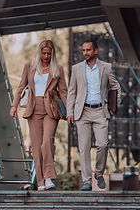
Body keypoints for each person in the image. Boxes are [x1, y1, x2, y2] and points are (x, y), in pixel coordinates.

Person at [10, 40, 67, 191]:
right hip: (33, 109)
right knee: (36, 147)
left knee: (47, 142)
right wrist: (14, 105)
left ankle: (48, 178)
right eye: (44, 53)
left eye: (49, 53)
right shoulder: (30, 67)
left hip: (51, 110)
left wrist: (69, 112)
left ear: (52, 53)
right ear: (39, 53)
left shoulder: (58, 69)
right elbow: (21, 87)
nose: (46, 56)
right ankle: (40, 181)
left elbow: (63, 92)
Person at [66, 38, 121, 191]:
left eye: (88, 50)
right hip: (82, 112)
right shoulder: (76, 69)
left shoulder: (106, 67)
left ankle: (99, 174)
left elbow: (116, 87)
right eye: (83, 50)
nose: (85, 53)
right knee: (83, 148)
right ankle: (87, 181)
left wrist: (115, 107)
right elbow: (72, 92)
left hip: (100, 112)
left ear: (95, 51)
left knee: (103, 145)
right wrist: (69, 112)